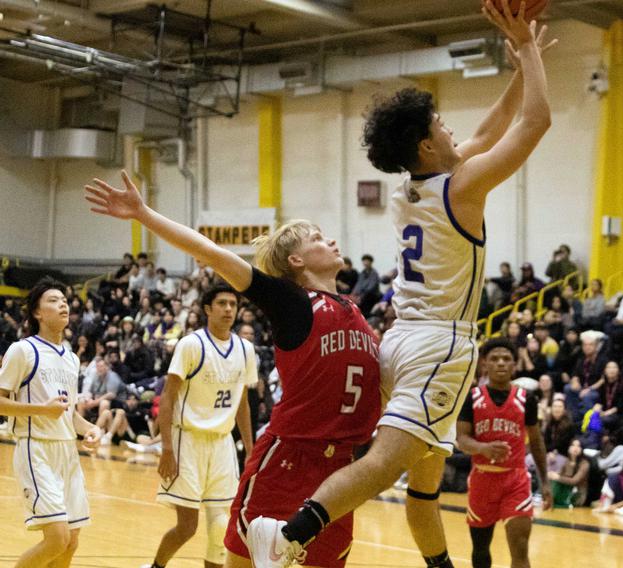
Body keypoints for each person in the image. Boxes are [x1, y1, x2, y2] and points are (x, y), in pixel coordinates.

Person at [242, 5, 555, 567]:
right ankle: (288, 536)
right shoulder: (462, 188)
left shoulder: (410, 190)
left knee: (424, 483)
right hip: (440, 343)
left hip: (400, 341)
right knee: (386, 463)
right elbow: (535, 124)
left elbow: (485, 134)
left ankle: (439, 564)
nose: (452, 129)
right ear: (428, 148)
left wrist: (515, 71)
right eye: (440, 126)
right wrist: (528, 50)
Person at [84, 171, 381, 568]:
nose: (329, 241)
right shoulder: (293, 302)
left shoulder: (357, 313)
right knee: (240, 561)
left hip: (342, 467)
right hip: (289, 457)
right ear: (296, 261)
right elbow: (213, 254)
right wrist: (144, 215)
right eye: (316, 239)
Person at [140, 283, 258, 568]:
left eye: (233, 304)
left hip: (222, 444)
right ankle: (156, 566)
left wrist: (252, 450)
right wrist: (166, 448)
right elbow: (168, 397)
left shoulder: (245, 349)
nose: (229, 309)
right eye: (222, 303)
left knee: (221, 526)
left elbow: (242, 403)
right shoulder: (191, 344)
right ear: (207, 309)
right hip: (187, 441)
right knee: (188, 526)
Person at [0, 278, 103, 567]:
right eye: (54, 300)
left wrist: (91, 429)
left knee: (70, 543)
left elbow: (67, 413)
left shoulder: (71, 358)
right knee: (57, 538)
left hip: (67, 454)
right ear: (37, 312)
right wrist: (41, 411)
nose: (63, 305)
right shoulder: (23, 350)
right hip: (36, 450)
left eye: (65, 300)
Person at [455, 338, 553, 568]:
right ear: (484, 365)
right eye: (494, 359)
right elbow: (461, 439)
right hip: (482, 480)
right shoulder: (472, 397)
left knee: (520, 548)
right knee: (480, 549)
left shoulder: (526, 399)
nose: (501, 363)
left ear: (514, 365)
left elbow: (537, 443)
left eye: (506, 359)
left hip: (515, 479)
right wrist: (482, 448)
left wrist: (545, 482)